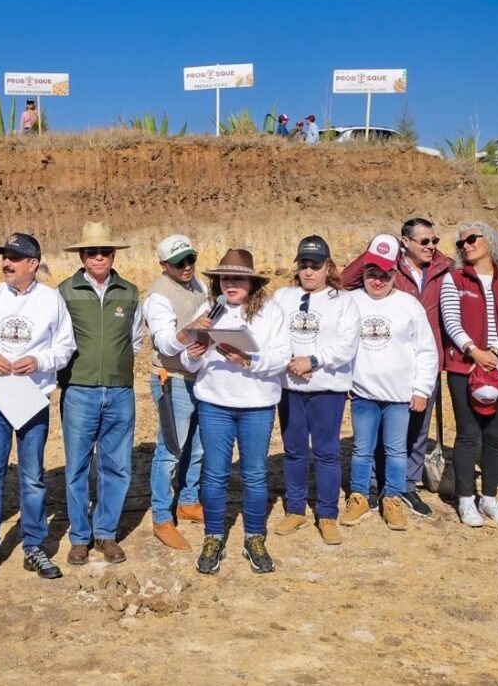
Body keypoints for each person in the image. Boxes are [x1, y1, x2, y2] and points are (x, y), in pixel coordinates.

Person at [0, 233, 76, 580]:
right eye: (4, 256)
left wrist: (40, 360)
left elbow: (65, 346)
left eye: (14, 257)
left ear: (33, 264)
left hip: (33, 399)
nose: (6, 263)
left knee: (32, 478)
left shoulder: (51, 299)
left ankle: (34, 547)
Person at [182, 249, 290, 576]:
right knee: (215, 473)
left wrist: (251, 360)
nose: (231, 285)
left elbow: (282, 355)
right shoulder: (208, 310)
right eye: (225, 279)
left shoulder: (271, 312)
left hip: (256, 407)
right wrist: (195, 353)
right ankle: (213, 536)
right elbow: (189, 363)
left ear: (251, 283)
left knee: (255, 474)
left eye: (238, 279)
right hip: (215, 404)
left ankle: (254, 537)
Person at [341, 218, 451, 516]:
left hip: (401, 394)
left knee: (398, 448)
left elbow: (426, 351)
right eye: (372, 273)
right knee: (363, 449)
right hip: (363, 393)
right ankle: (362, 494)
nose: (377, 280)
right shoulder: (350, 301)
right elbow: (339, 344)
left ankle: (394, 495)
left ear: (394, 274)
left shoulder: (409, 304)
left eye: (385, 274)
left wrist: (421, 388)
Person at [58, 222, 142, 566]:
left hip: (120, 391)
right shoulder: (64, 291)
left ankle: (106, 533)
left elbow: (134, 340)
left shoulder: (130, 292)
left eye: (105, 252)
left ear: (113, 255)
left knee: (117, 465)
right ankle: (80, 537)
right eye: (92, 252)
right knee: (77, 466)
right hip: (79, 391)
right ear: (82, 255)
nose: (99, 257)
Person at [440, 221, 498, 527]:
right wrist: (474, 351)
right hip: (465, 366)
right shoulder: (455, 279)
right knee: (467, 434)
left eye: (471, 240)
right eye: (461, 244)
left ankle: (489, 498)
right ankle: (466, 500)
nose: (466, 246)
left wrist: (497, 350)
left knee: (495, 436)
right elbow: (450, 320)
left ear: (489, 241)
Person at [273, 236, 360, 545]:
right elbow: (271, 333)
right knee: (294, 450)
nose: (308, 272)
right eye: (304, 265)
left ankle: (327, 514)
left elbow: (347, 344)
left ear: (328, 267)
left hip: (327, 389)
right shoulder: (282, 297)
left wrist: (313, 359)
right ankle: (295, 509)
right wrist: (288, 361)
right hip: (290, 387)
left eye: (315, 266)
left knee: (326, 452)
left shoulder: (343, 301)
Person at [143, 234, 207, 550]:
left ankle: (189, 500)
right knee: (169, 451)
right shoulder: (158, 296)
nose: (187, 266)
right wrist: (194, 330)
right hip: (172, 379)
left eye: (190, 259)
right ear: (164, 265)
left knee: (196, 448)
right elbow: (166, 342)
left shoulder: (198, 286)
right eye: (179, 262)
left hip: (197, 377)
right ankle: (162, 517)